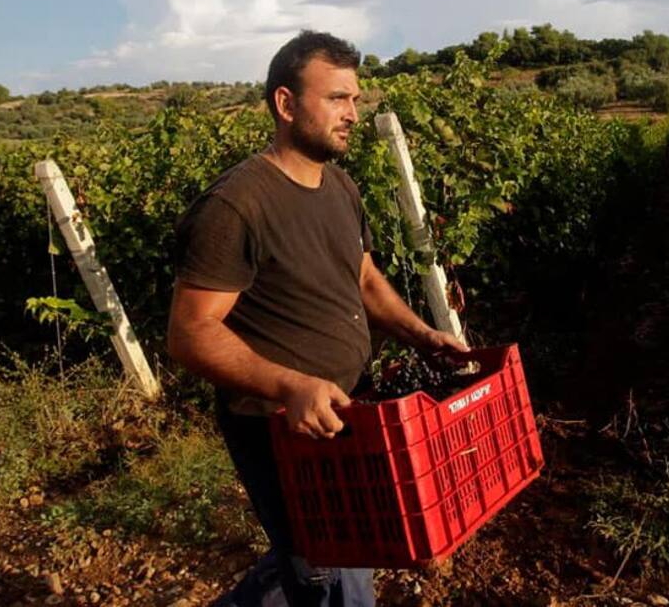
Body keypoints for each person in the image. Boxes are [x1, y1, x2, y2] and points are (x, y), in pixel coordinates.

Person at [167, 30, 467, 606]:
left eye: (355, 99)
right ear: (285, 104)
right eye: (336, 99)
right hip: (284, 429)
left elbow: (364, 279)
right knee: (335, 570)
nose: (352, 113)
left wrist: (423, 334)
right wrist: (292, 385)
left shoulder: (340, 186)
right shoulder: (237, 206)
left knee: (328, 553)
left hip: (349, 410)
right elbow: (190, 333)